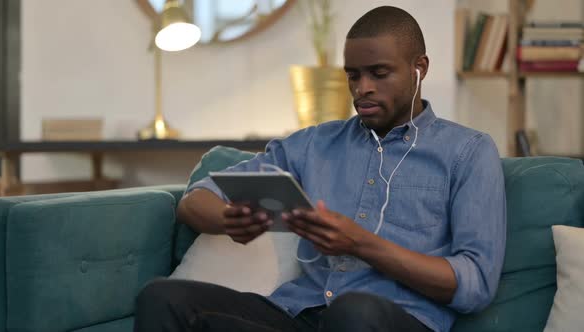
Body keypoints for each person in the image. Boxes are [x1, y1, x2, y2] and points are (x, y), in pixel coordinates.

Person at [134, 5, 506, 332]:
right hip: (299, 313)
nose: (362, 89)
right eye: (353, 75)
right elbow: (194, 200)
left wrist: (360, 243)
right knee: (163, 298)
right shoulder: (314, 144)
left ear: (418, 69)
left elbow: (474, 285)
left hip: (395, 319)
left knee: (353, 312)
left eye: (379, 73)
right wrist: (228, 218)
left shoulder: (467, 152)